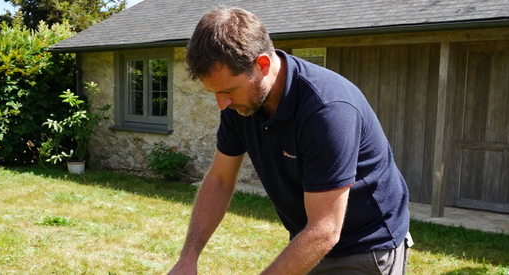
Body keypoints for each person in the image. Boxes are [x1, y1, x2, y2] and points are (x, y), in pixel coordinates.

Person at [168, 6, 413, 275]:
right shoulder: (239, 105)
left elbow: (325, 230)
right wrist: (188, 258)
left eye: (228, 90)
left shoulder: (327, 110)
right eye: (214, 93)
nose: (221, 103)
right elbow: (219, 180)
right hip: (308, 238)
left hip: (365, 247)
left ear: (262, 65)